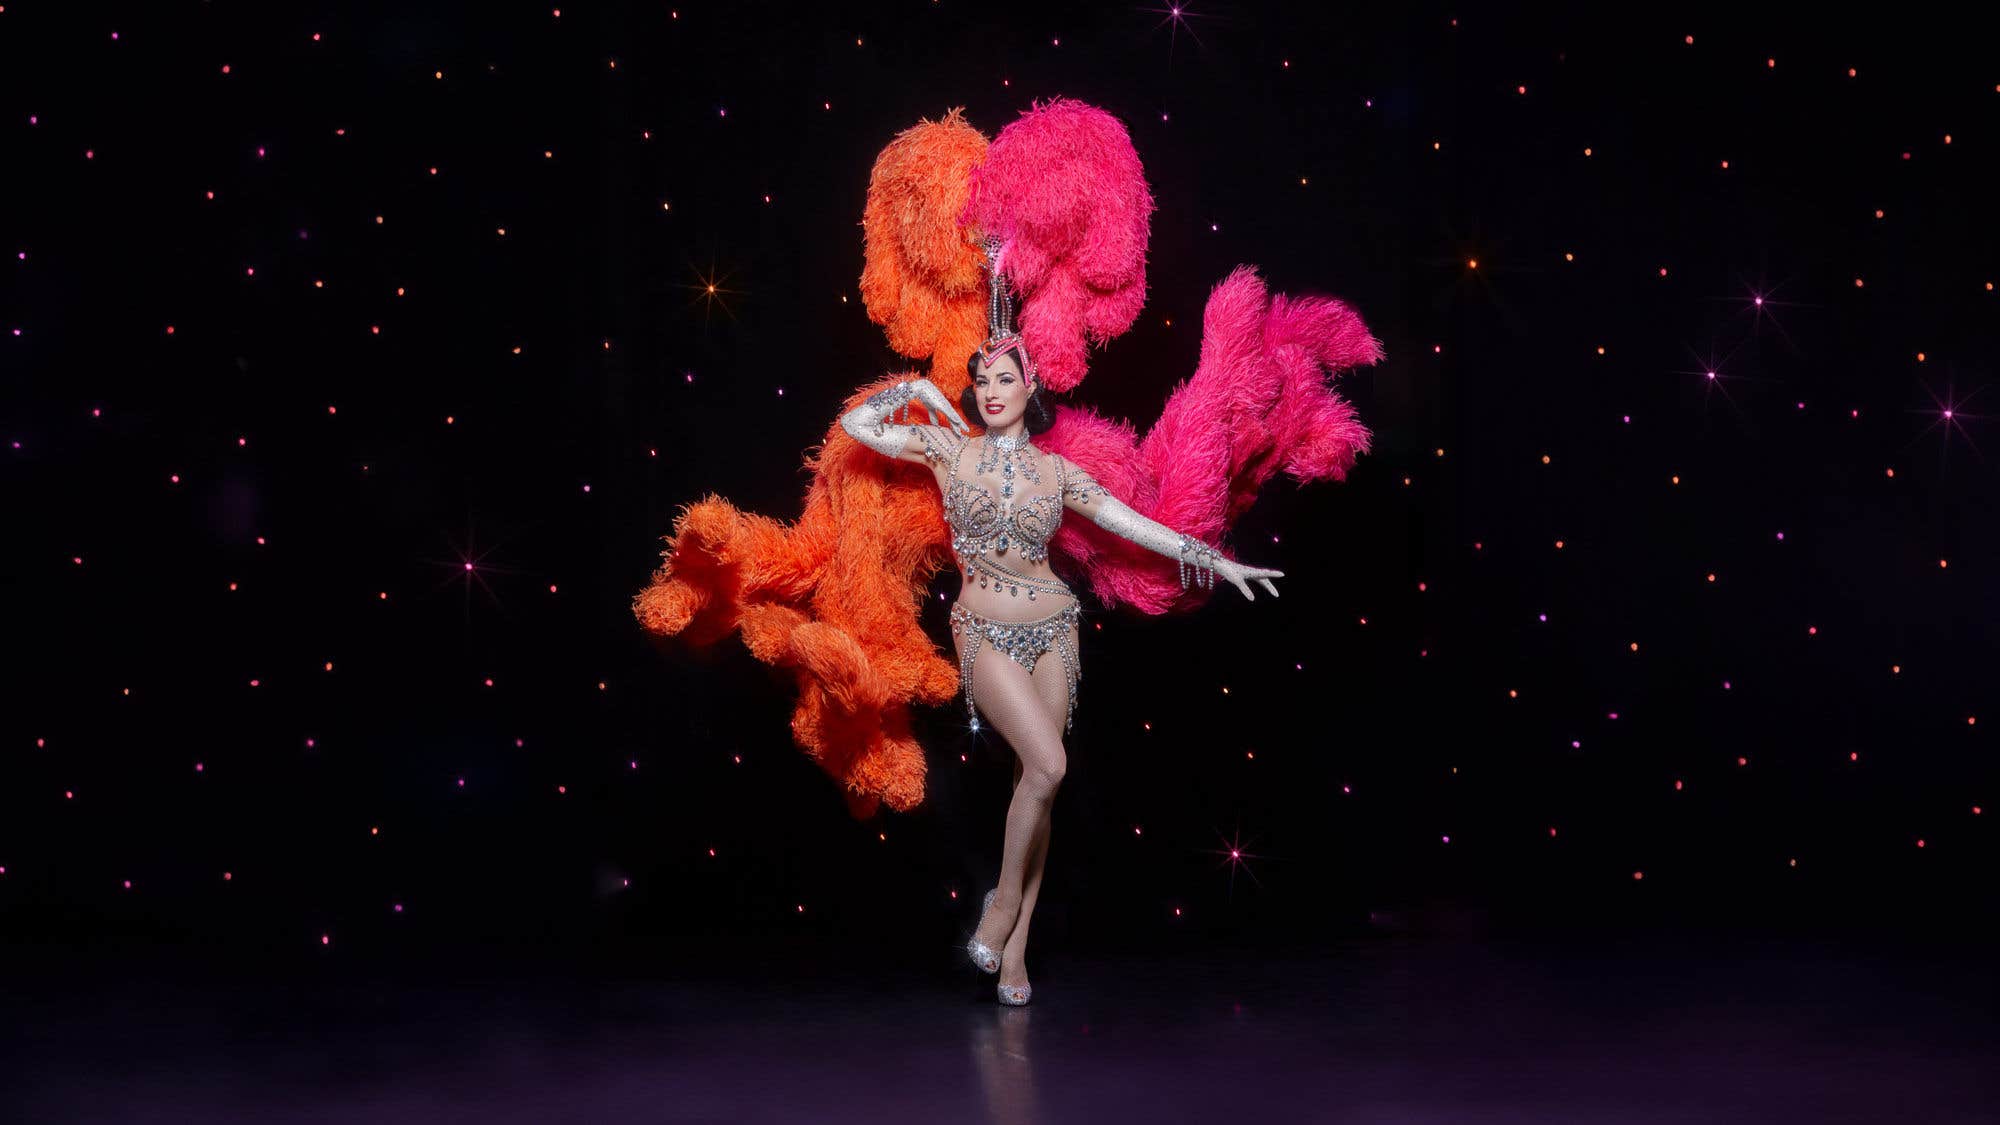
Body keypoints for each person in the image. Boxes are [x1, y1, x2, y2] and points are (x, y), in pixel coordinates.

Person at [838, 238, 1285, 1005]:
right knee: (1049, 767)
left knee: (1033, 785)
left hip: (1055, 629)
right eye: (982, 381)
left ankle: (1014, 952)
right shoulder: (948, 449)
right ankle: (1001, 904)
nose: (992, 390)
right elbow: (858, 428)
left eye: (1005, 378)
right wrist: (919, 391)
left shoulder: (1057, 473)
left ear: (1030, 383)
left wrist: (1217, 560)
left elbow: (1135, 524)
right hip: (983, 626)